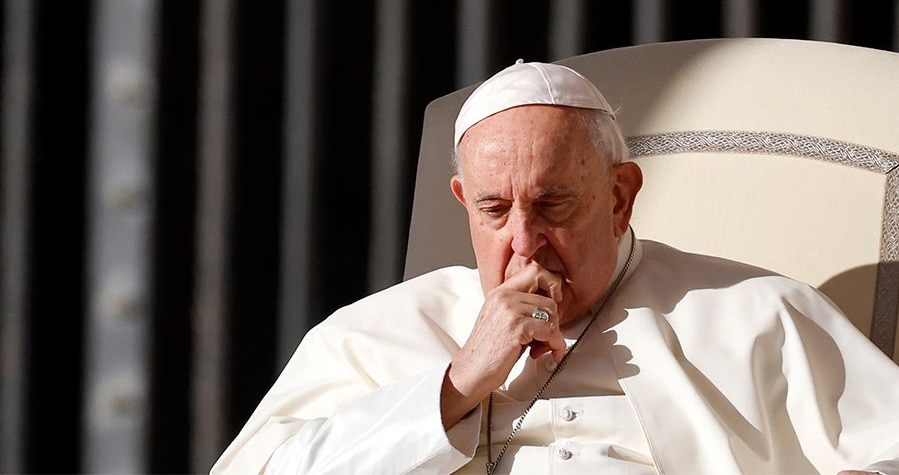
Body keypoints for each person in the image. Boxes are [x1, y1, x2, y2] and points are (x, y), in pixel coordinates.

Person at [211, 61, 899, 474]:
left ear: (619, 195)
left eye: (551, 205)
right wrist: (451, 389)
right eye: (493, 209)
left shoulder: (754, 312)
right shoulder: (370, 335)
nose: (524, 241)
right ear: (462, 204)